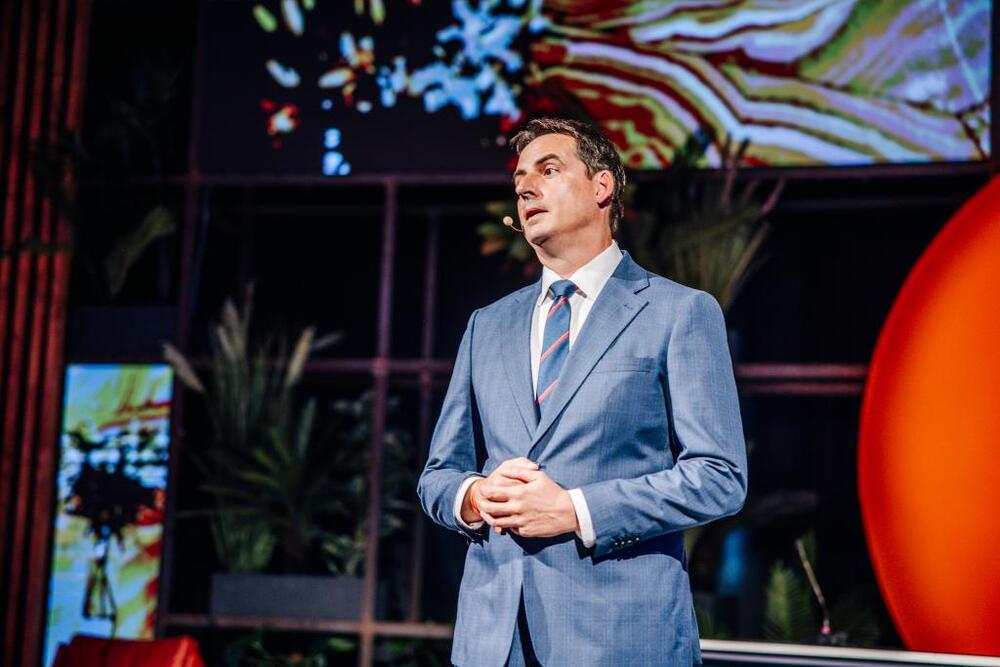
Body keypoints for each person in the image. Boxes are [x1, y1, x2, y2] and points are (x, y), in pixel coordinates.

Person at [417, 117, 748, 666]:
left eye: (548, 170)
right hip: (493, 640)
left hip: (619, 640)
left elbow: (720, 477)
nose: (526, 187)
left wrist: (574, 509)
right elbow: (438, 475)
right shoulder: (486, 325)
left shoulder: (678, 312)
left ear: (602, 187)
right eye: (520, 179)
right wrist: (475, 497)